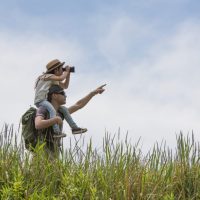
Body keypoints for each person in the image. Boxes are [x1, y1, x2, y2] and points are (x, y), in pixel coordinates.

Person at [34, 84, 106, 158]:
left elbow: (78, 105)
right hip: (42, 150)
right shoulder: (43, 109)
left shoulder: (62, 112)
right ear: (54, 95)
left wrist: (92, 93)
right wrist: (55, 120)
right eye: (63, 93)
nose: (65, 96)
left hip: (54, 150)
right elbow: (38, 124)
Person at [34, 59, 87, 138]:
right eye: (62, 69)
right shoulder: (47, 76)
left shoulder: (53, 79)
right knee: (52, 110)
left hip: (45, 100)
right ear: (56, 70)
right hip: (40, 100)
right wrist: (67, 71)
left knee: (65, 110)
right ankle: (56, 132)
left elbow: (65, 86)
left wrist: (68, 74)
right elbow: (62, 78)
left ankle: (74, 128)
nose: (63, 71)